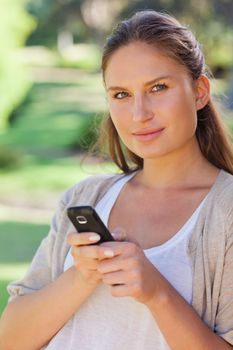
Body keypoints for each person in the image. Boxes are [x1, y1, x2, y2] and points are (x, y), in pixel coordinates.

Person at [0, 9, 233, 350]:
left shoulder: (226, 212)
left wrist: (157, 293)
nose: (140, 114)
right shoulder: (85, 198)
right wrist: (82, 275)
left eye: (158, 87)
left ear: (199, 91)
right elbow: (10, 340)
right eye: (121, 94)